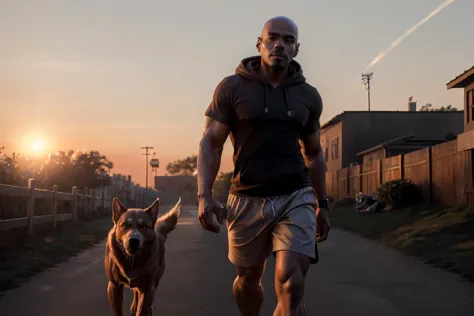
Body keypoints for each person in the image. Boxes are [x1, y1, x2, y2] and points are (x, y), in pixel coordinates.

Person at [197, 15, 330, 316]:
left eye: (288, 40)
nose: (279, 45)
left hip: (295, 195)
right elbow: (211, 142)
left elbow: (314, 154)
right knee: (247, 280)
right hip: (246, 198)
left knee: (292, 283)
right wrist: (204, 195)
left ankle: (291, 305)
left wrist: (322, 203)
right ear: (260, 44)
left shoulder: (308, 96)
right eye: (273, 38)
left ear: (296, 48)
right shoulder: (231, 88)